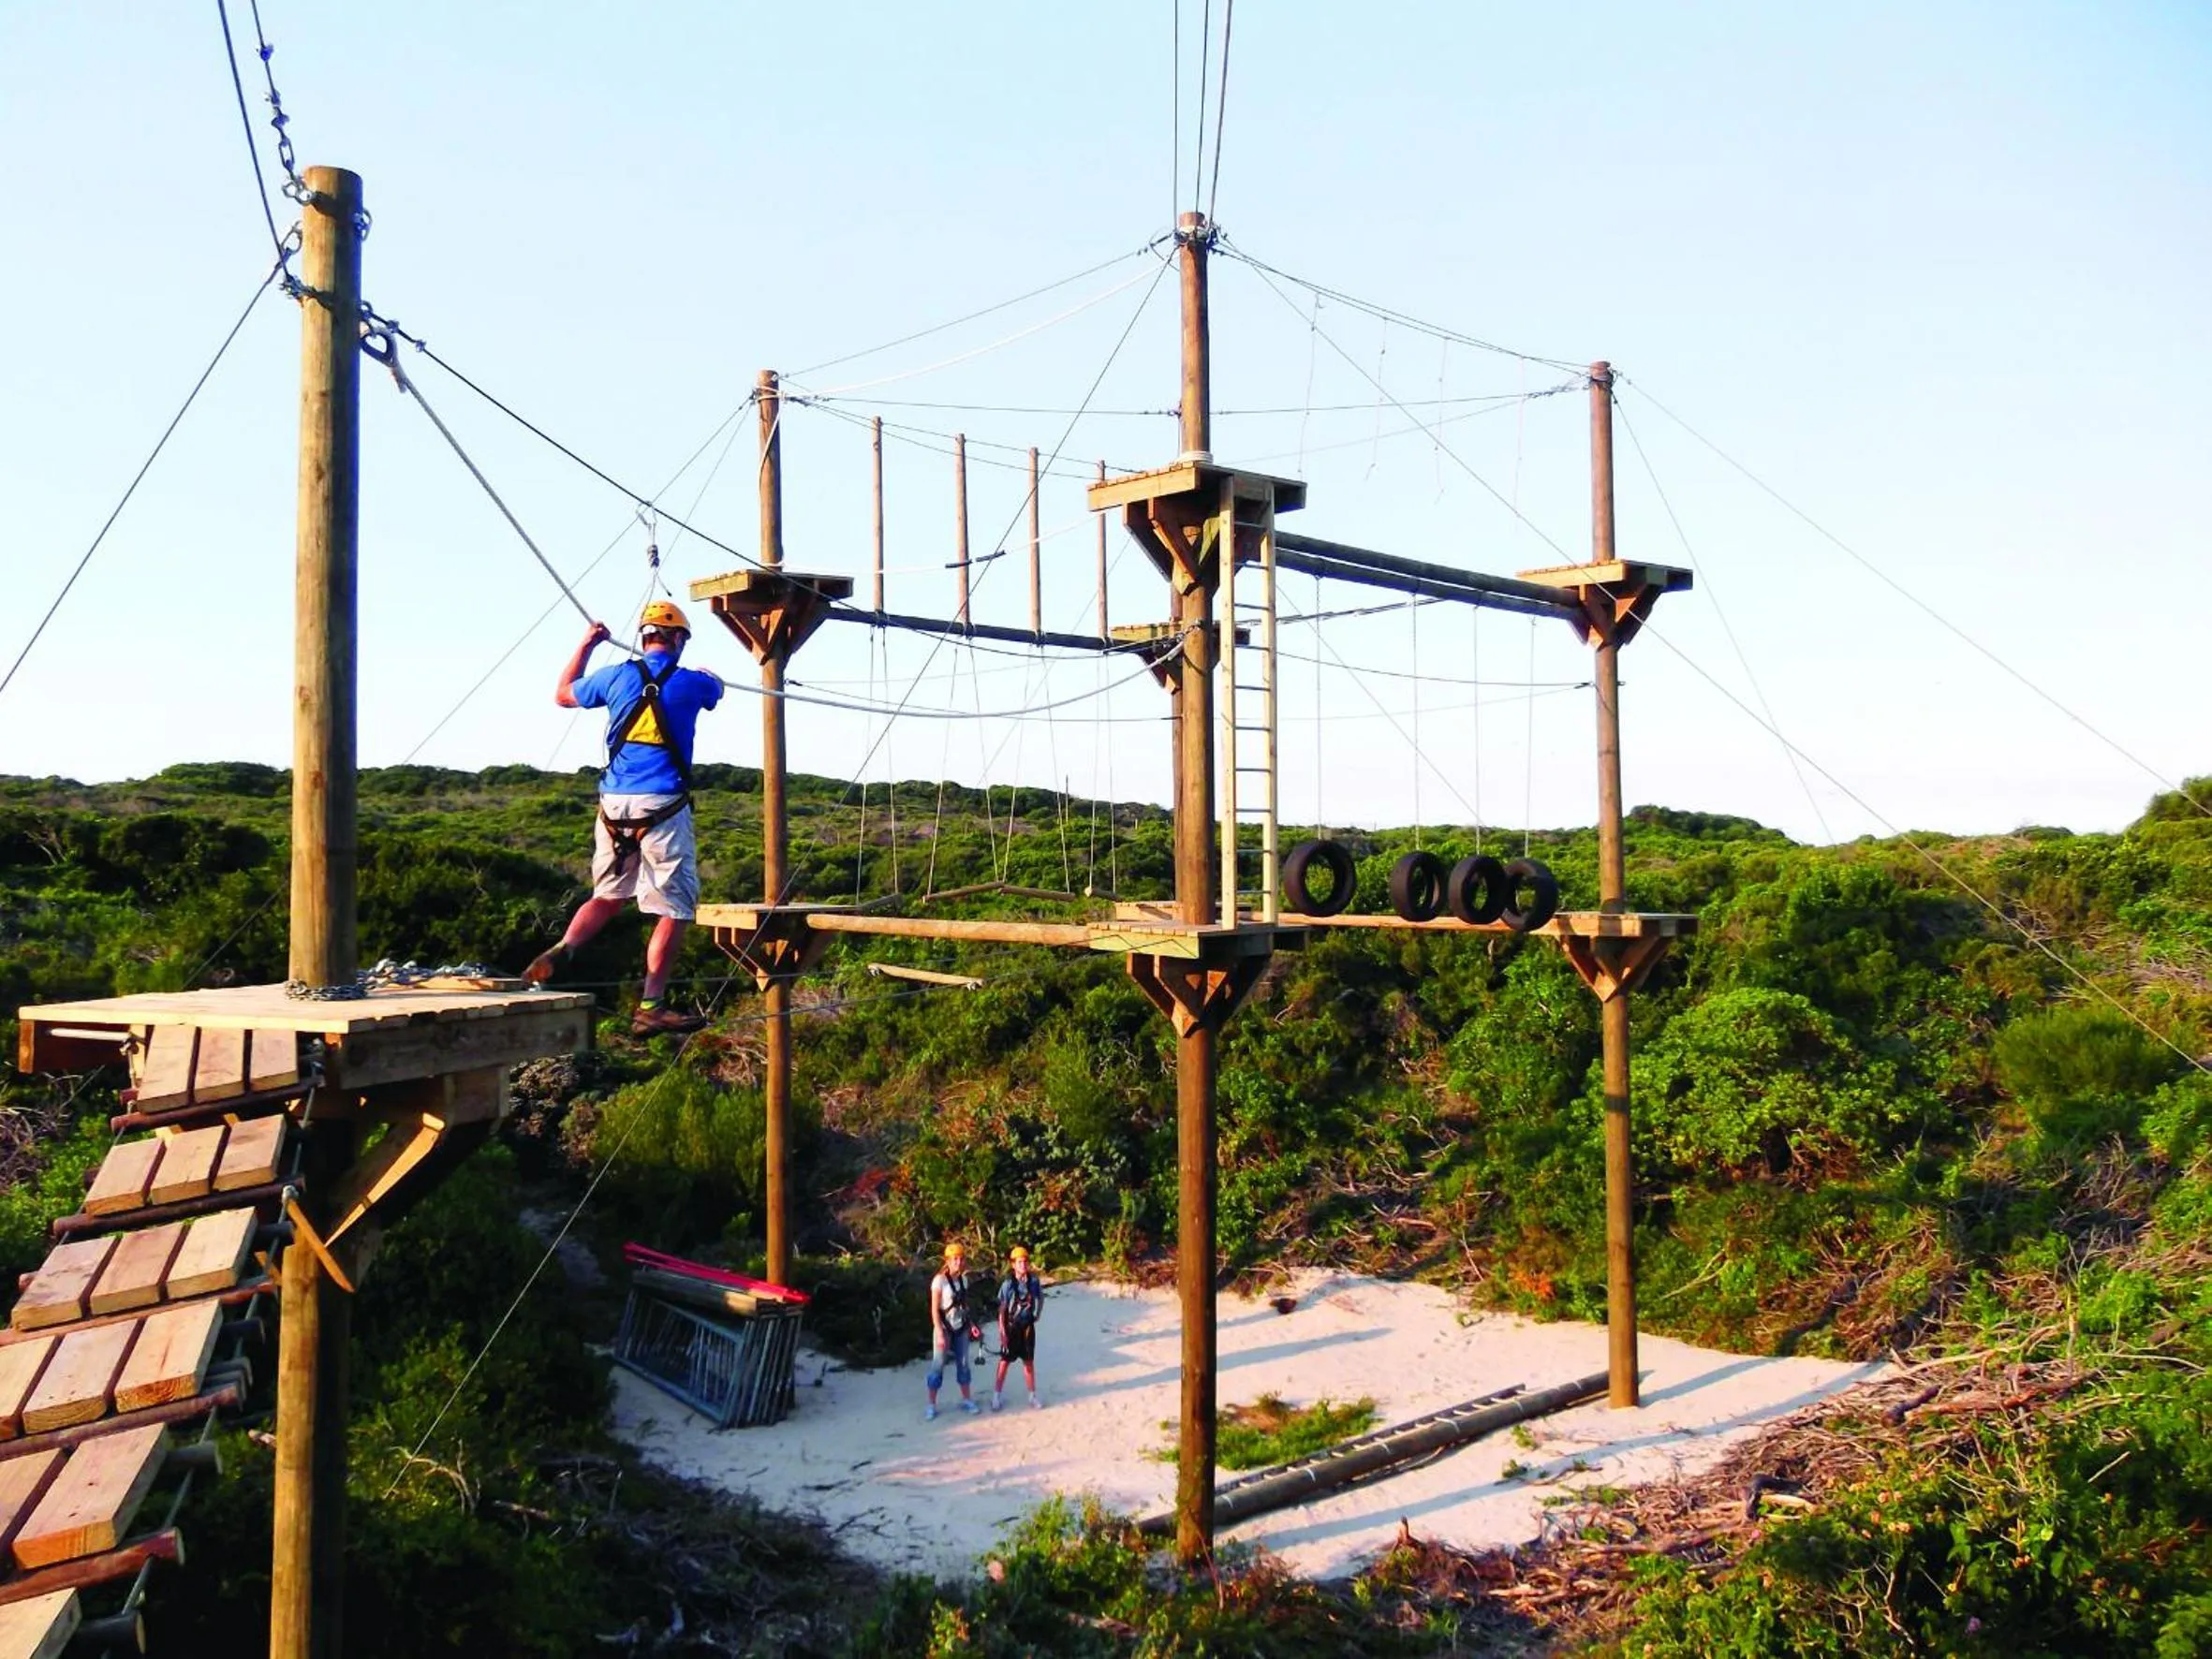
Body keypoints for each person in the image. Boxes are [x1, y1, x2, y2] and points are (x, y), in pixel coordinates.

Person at [524, 601, 725, 1035]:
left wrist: (587, 644)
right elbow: (715, 693)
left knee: (608, 896)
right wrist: (713, 678)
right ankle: (651, 1004)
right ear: (676, 639)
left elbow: (563, 693)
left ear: (644, 636)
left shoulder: (615, 677)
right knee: (674, 907)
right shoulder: (691, 683)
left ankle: (565, 947)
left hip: (614, 806)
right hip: (661, 807)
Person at [924, 1241, 982, 1419]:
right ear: (948, 1261)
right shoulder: (939, 1281)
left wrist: (972, 1324)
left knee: (963, 1364)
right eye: (954, 1259)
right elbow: (934, 1309)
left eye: (961, 1258)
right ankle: (931, 1404)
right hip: (944, 1328)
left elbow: (964, 1305)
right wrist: (939, 1332)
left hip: (961, 1327)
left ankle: (966, 1399)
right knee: (938, 1365)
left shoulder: (963, 1280)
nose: (958, 1262)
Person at [992, 1245, 1045, 1411]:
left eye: (1025, 1261)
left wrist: (1037, 1314)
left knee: (1028, 1362)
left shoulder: (1034, 1281)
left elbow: (1041, 1298)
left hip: (1027, 1327)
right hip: (1012, 1327)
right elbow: (1002, 1310)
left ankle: (1032, 1395)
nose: (1023, 1265)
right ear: (1013, 1264)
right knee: (1004, 1362)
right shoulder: (1008, 1284)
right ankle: (996, 1395)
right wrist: (1002, 1331)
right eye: (1019, 1262)